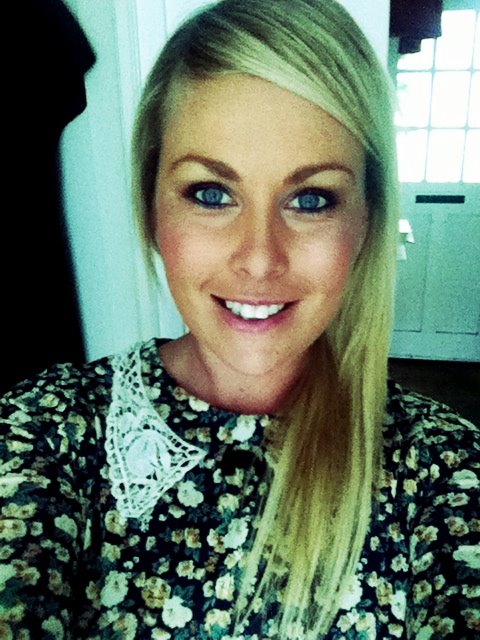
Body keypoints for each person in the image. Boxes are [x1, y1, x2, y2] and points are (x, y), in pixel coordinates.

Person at [1, 0, 478, 638]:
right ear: (151, 208)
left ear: (366, 219)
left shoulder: (444, 467)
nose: (258, 258)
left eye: (312, 199)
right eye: (211, 193)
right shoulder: (46, 431)